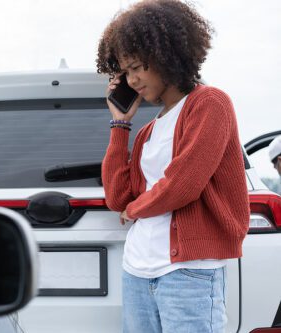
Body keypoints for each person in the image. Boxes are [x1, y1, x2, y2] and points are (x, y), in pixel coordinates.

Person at [96, 1, 250, 332]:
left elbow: (183, 183)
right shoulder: (149, 131)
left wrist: (136, 209)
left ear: (165, 54)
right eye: (126, 71)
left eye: (137, 66)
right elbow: (118, 198)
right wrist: (120, 124)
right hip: (137, 269)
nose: (132, 79)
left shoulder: (210, 104)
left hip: (188, 272)